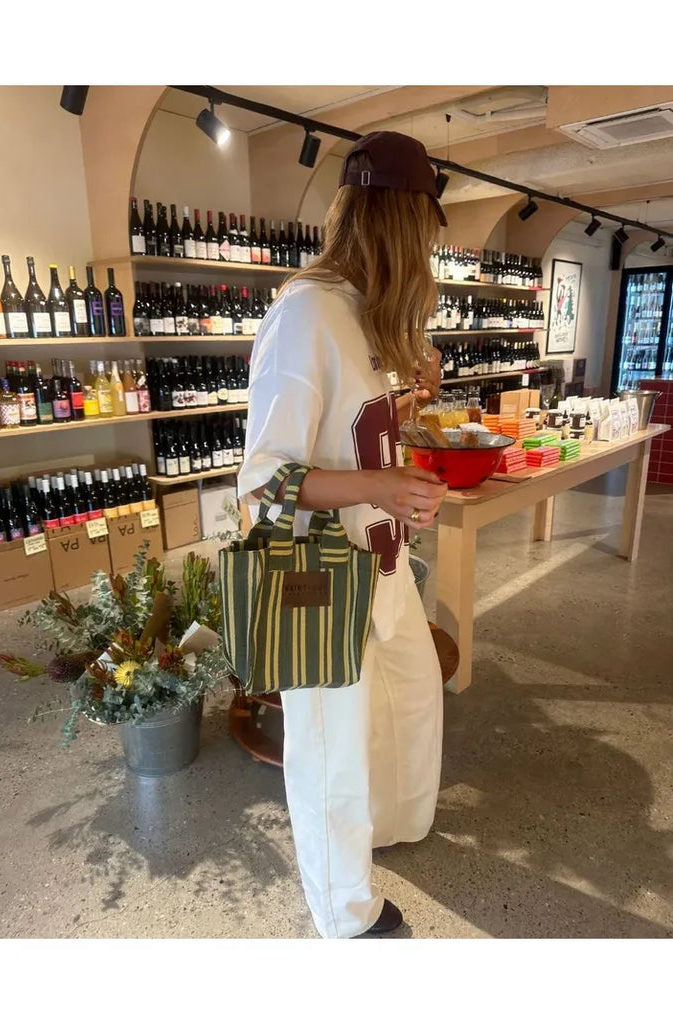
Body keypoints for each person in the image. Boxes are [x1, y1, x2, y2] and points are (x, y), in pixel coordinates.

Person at [237, 131, 447, 939]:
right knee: (329, 746)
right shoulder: (304, 315)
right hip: (315, 575)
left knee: (407, 703)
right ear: (401, 224)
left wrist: (408, 407)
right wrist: (383, 485)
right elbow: (261, 483)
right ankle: (345, 912)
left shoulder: (361, 310)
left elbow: (351, 435)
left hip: (381, 563)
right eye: (426, 235)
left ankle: (385, 831)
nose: (430, 254)